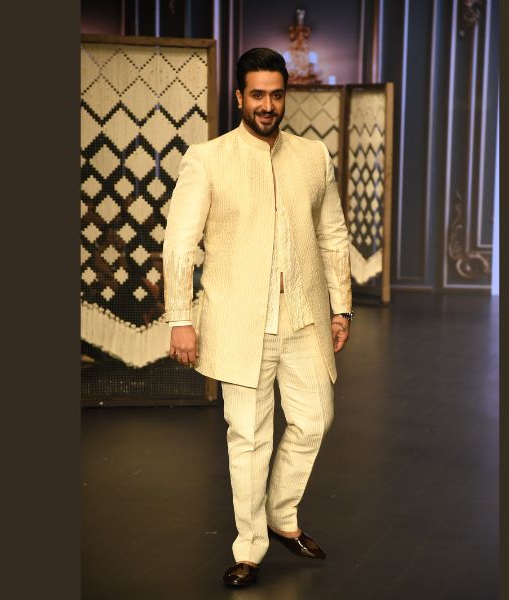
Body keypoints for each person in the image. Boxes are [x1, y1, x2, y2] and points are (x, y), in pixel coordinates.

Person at [162, 47, 353, 588]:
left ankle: (281, 513)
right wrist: (180, 318)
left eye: (276, 94)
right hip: (238, 320)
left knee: (315, 419)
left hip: (305, 317)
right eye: (257, 95)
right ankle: (250, 548)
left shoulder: (312, 156)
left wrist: (341, 306)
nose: (267, 105)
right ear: (239, 97)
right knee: (248, 436)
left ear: (285, 95)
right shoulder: (208, 159)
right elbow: (179, 244)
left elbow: (333, 235)